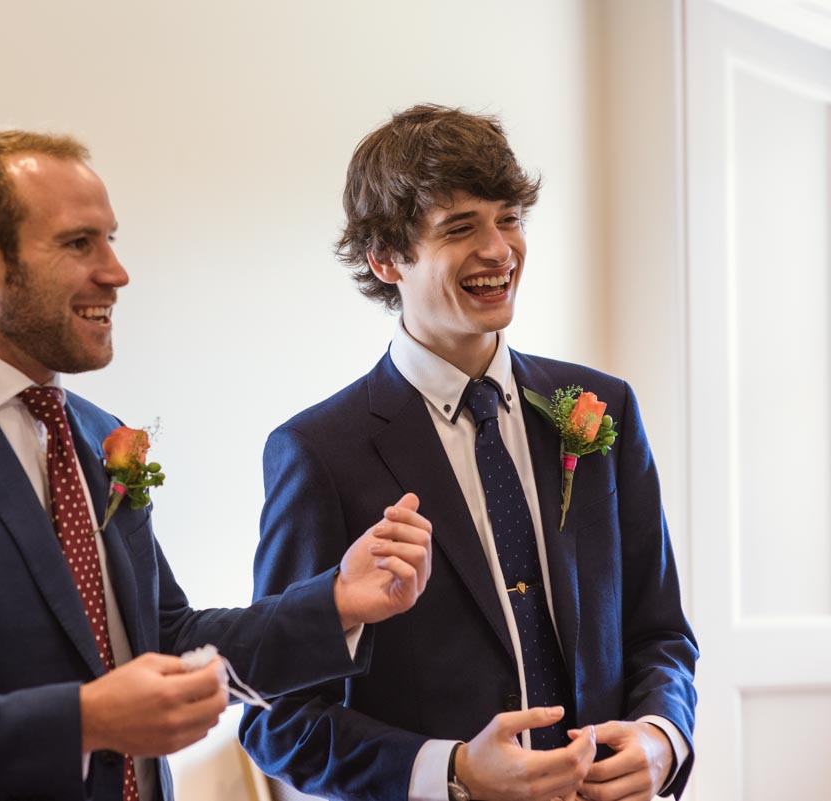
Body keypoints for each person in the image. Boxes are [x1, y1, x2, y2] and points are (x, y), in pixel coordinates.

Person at [0, 130, 433, 801]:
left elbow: (165, 637)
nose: (116, 272)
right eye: (78, 243)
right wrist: (85, 720)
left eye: (110, 239)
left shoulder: (96, 434)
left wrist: (337, 601)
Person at [239, 104, 698, 801]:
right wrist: (450, 770)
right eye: (460, 228)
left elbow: (659, 632)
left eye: (509, 218)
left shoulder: (603, 406)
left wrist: (662, 737)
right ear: (386, 258)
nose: (500, 250)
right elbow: (277, 717)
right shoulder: (318, 453)